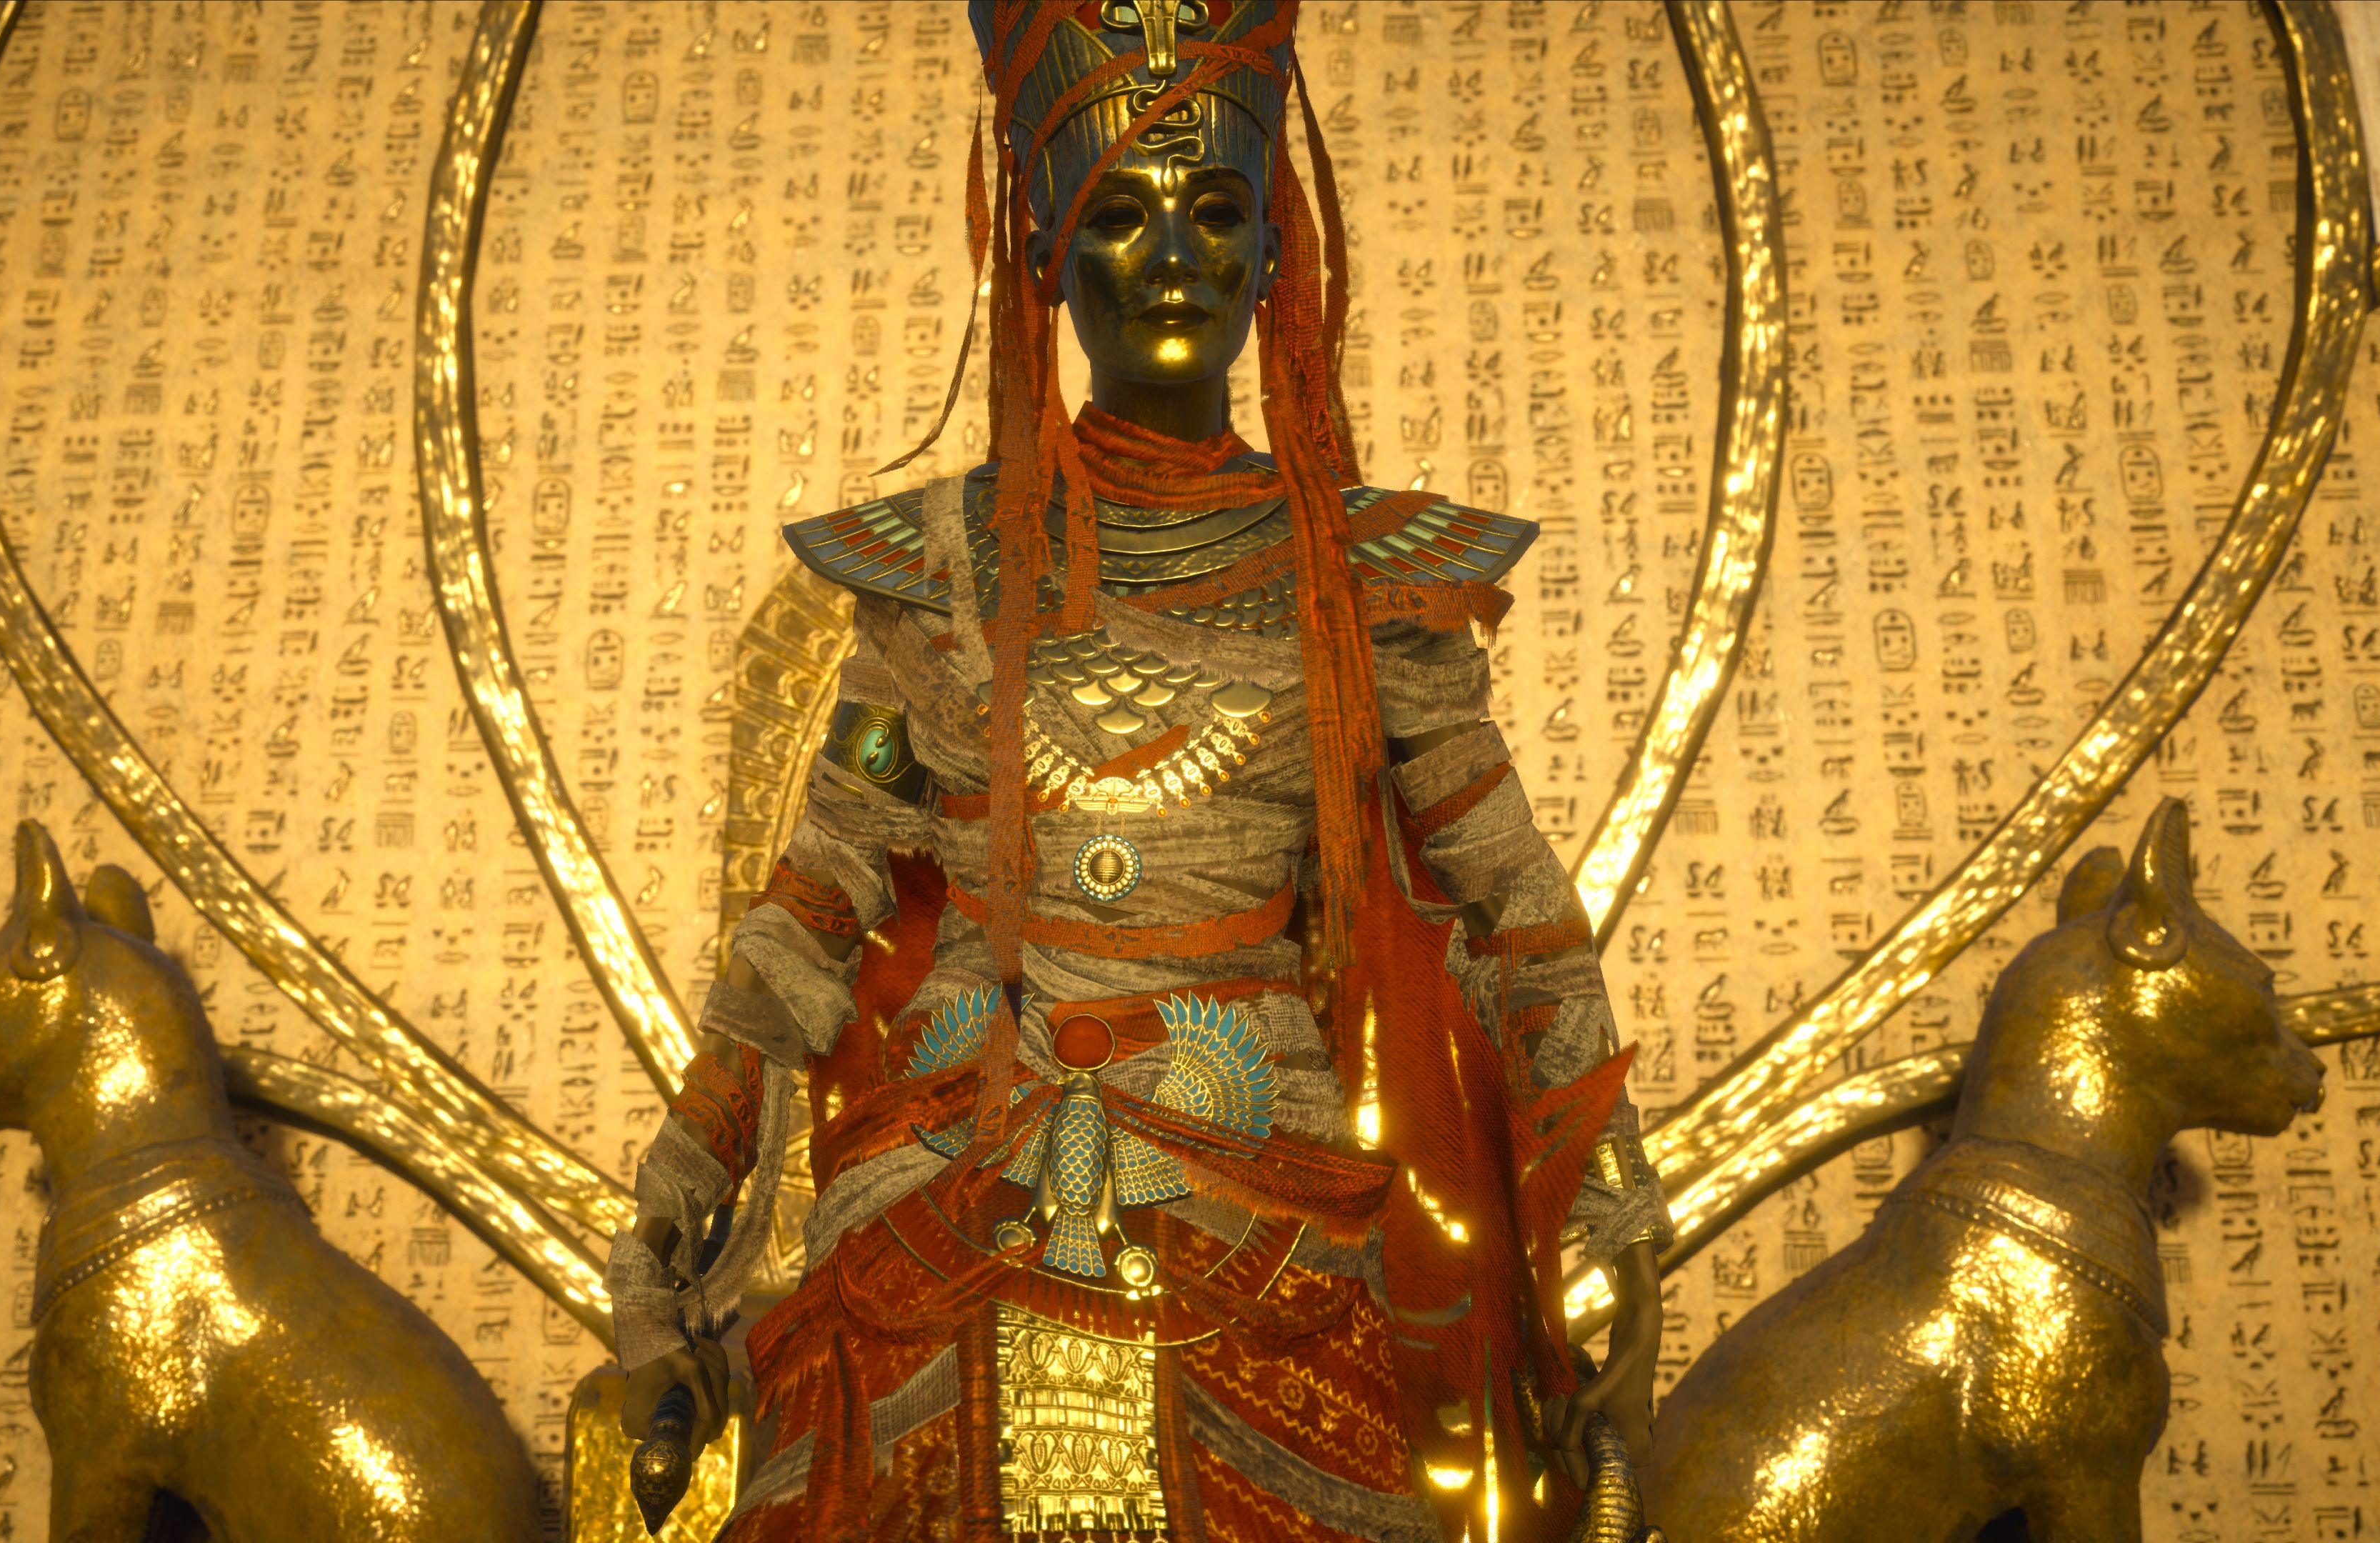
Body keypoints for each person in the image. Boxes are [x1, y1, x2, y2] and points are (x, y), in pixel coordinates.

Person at [608, 4, 1671, 1537]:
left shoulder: (1370, 580)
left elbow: (1521, 923)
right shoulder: (936, 574)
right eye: (1120, 213)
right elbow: (816, 912)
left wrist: (1612, 1231)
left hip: (1258, 1185)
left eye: (1216, 210)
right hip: (950, 1178)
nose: (1174, 254)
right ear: (1047, 253)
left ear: (1274, 252)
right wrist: (668, 1216)